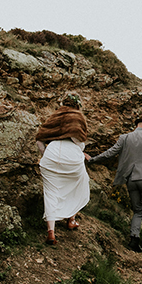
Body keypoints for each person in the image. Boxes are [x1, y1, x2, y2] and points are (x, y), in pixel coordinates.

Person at [84, 116, 142, 258]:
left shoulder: (124, 138)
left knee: (138, 211)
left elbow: (111, 152)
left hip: (131, 179)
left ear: (137, 125)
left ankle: (134, 240)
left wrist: (93, 159)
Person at [35, 93, 90, 245]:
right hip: (71, 154)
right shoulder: (78, 117)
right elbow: (77, 141)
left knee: (50, 192)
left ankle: (51, 232)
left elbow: (39, 141)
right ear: (77, 104)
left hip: (51, 153)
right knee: (79, 184)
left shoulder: (54, 116)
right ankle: (71, 219)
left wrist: (46, 155)